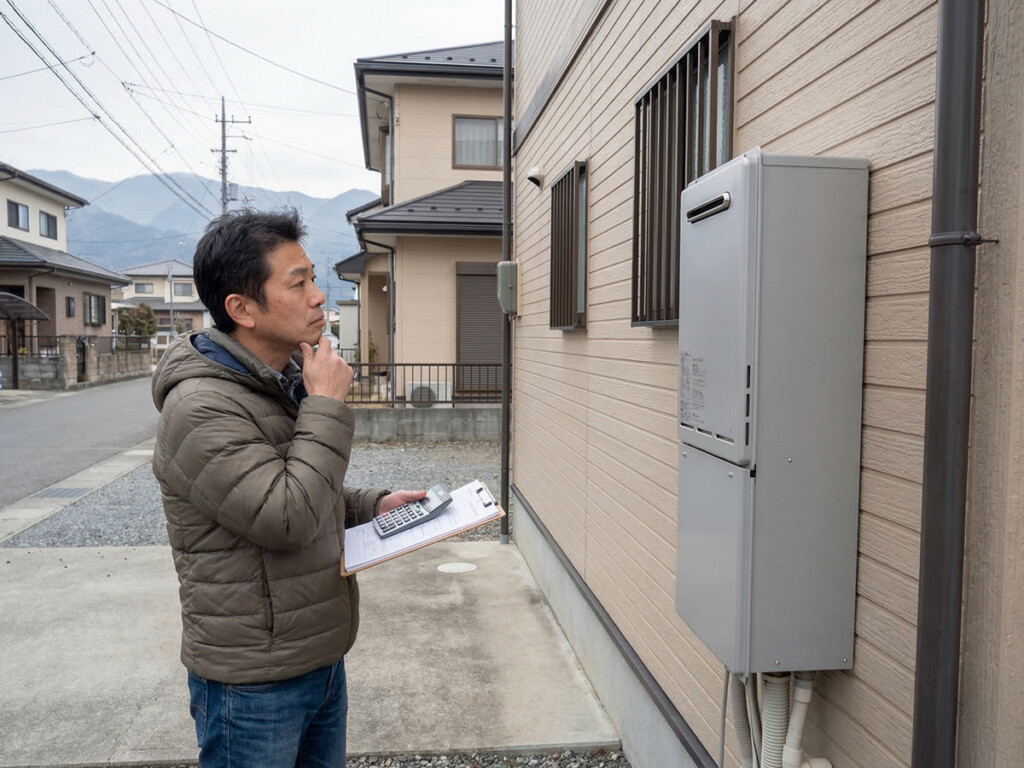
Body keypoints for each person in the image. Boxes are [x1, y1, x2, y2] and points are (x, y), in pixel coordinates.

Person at [152, 208, 424, 768]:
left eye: (313, 278)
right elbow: (286, 517)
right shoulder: (201, 406)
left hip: (317, 658)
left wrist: (373, 506)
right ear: (242, 309)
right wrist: (326, 404)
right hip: (253, 684)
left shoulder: (277, 380)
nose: (319, 296)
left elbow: (301, 486)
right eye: (298, 283)